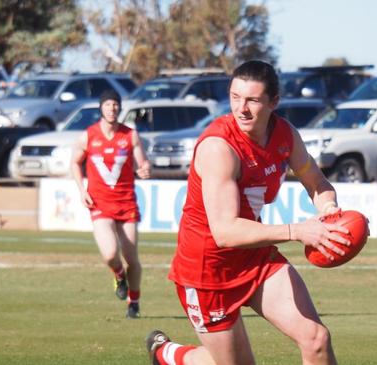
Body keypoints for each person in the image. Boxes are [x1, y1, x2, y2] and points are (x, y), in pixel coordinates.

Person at [146, 60, 350, 365]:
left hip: (255, 257)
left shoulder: (285, 135)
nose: (242, 109)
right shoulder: (219, 148)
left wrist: (329, 210)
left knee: (316, 339)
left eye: (252, 100)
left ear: (273, 102)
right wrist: (297, 231)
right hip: (207, 271)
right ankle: (169, 355)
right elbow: (226, 232)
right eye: (235, 98)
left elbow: (317, 182)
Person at [70, 89, 151, 319]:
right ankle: (117, 274)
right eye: (108, 105)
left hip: (126, 204)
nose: (112, 108)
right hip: (100, 204)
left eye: (115, 105)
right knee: (110, 254)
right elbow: (74, 163)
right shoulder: (88, 135)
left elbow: (142, 162)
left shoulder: (130, 135)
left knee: (132, 259)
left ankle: (133, 302)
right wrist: (81, 189)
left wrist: (145, 169)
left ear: (119, 108)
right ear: (101, 108)